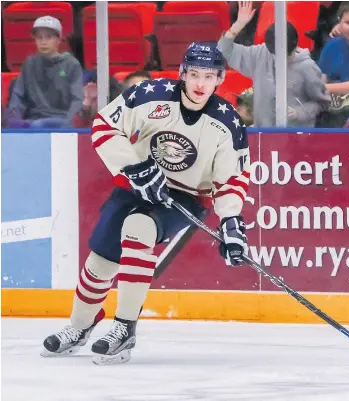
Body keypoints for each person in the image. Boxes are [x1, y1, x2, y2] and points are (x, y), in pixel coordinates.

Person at [41, 42, 250, 365]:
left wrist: (231, 222)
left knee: (138, 228)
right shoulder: (149, 95)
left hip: (185, 195)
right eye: (193, 74)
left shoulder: (227, 123)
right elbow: (104, 126)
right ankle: (80, 325)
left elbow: (230, 180)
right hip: (134, 182)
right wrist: (135, 167)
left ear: (220, 79)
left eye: (208, 77)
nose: (199, 84)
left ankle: (124, 328)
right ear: (182, 73)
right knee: (101, 261)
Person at [217, 1, 330, 128]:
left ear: (294, 47)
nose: (280, 60)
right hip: (265, 135)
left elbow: (322, 103)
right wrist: (238, 25)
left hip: (297, 138)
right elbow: (223, 49)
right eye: (274, 54)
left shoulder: (308, 67)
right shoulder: (260, 54)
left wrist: (299, 112)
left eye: (286, 55)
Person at [7, 16, 83, 128]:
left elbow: (77, 99)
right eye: (39, 37)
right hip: (33, 121)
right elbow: (18, 96)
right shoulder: (29, 63)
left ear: (58, 40)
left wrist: (69, 123)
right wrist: (14, 121)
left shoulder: (72, 64)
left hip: (62, 120)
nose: (43, 42)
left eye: (48, 37)